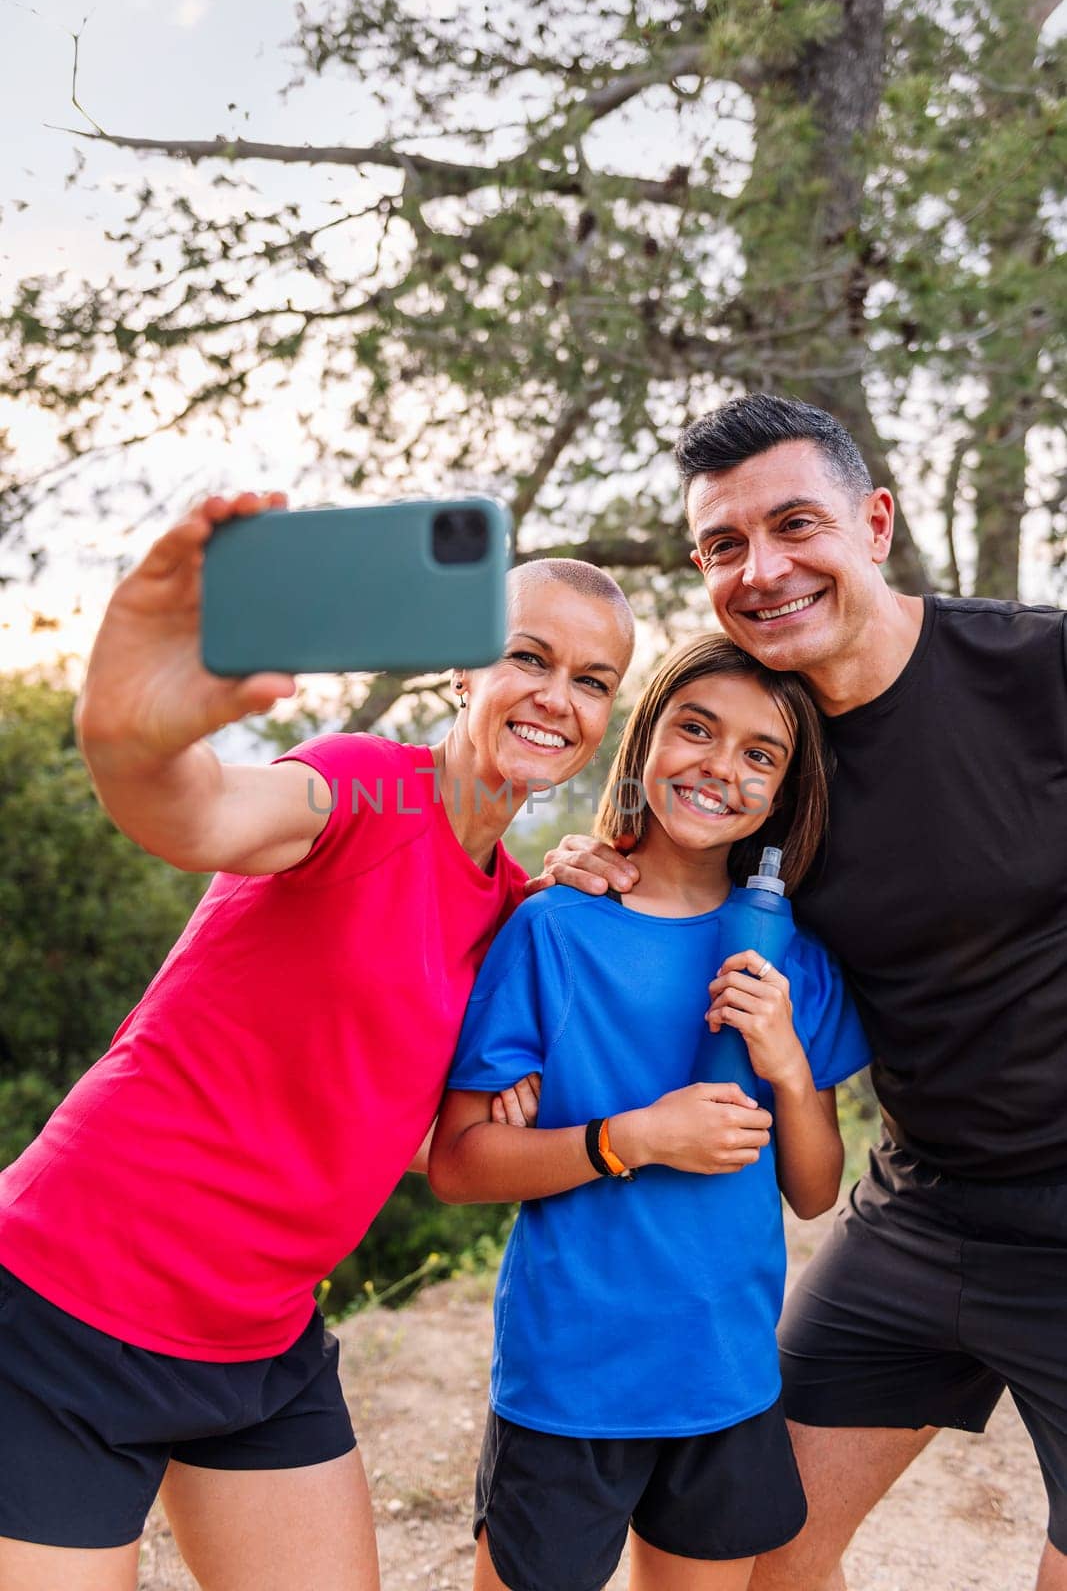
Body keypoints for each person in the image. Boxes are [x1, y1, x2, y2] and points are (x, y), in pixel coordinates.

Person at [0, 490, 636, 1591]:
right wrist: (129, 725)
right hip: (67, 1305)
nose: (555, 697)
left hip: (258, 1340)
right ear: (461, 671)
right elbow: (193, 814)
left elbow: (435, 1152)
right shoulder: (360, 788)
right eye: (527, 656)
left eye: (591, 681)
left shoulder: (515, 913)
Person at [540, 395, 1067, 1591]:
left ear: (872, 523)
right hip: (924, 1209)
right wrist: (597, 853)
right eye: (724, 545)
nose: (762, 569)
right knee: (758, 1553)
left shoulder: (1037, 671)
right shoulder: (771, 750)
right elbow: (674, 848)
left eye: (793, 525)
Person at [429, 632, 871, 1591]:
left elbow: (811, 1191)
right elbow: (458, 1164)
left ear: (786, 791)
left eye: (761, 754)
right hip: (567, 1377)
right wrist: (635, 1138)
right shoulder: (553, 927)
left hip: (724, 1376)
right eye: (695, 729)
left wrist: (788, 1069)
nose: (720, 767)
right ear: (643, 740)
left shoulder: (794, 956)